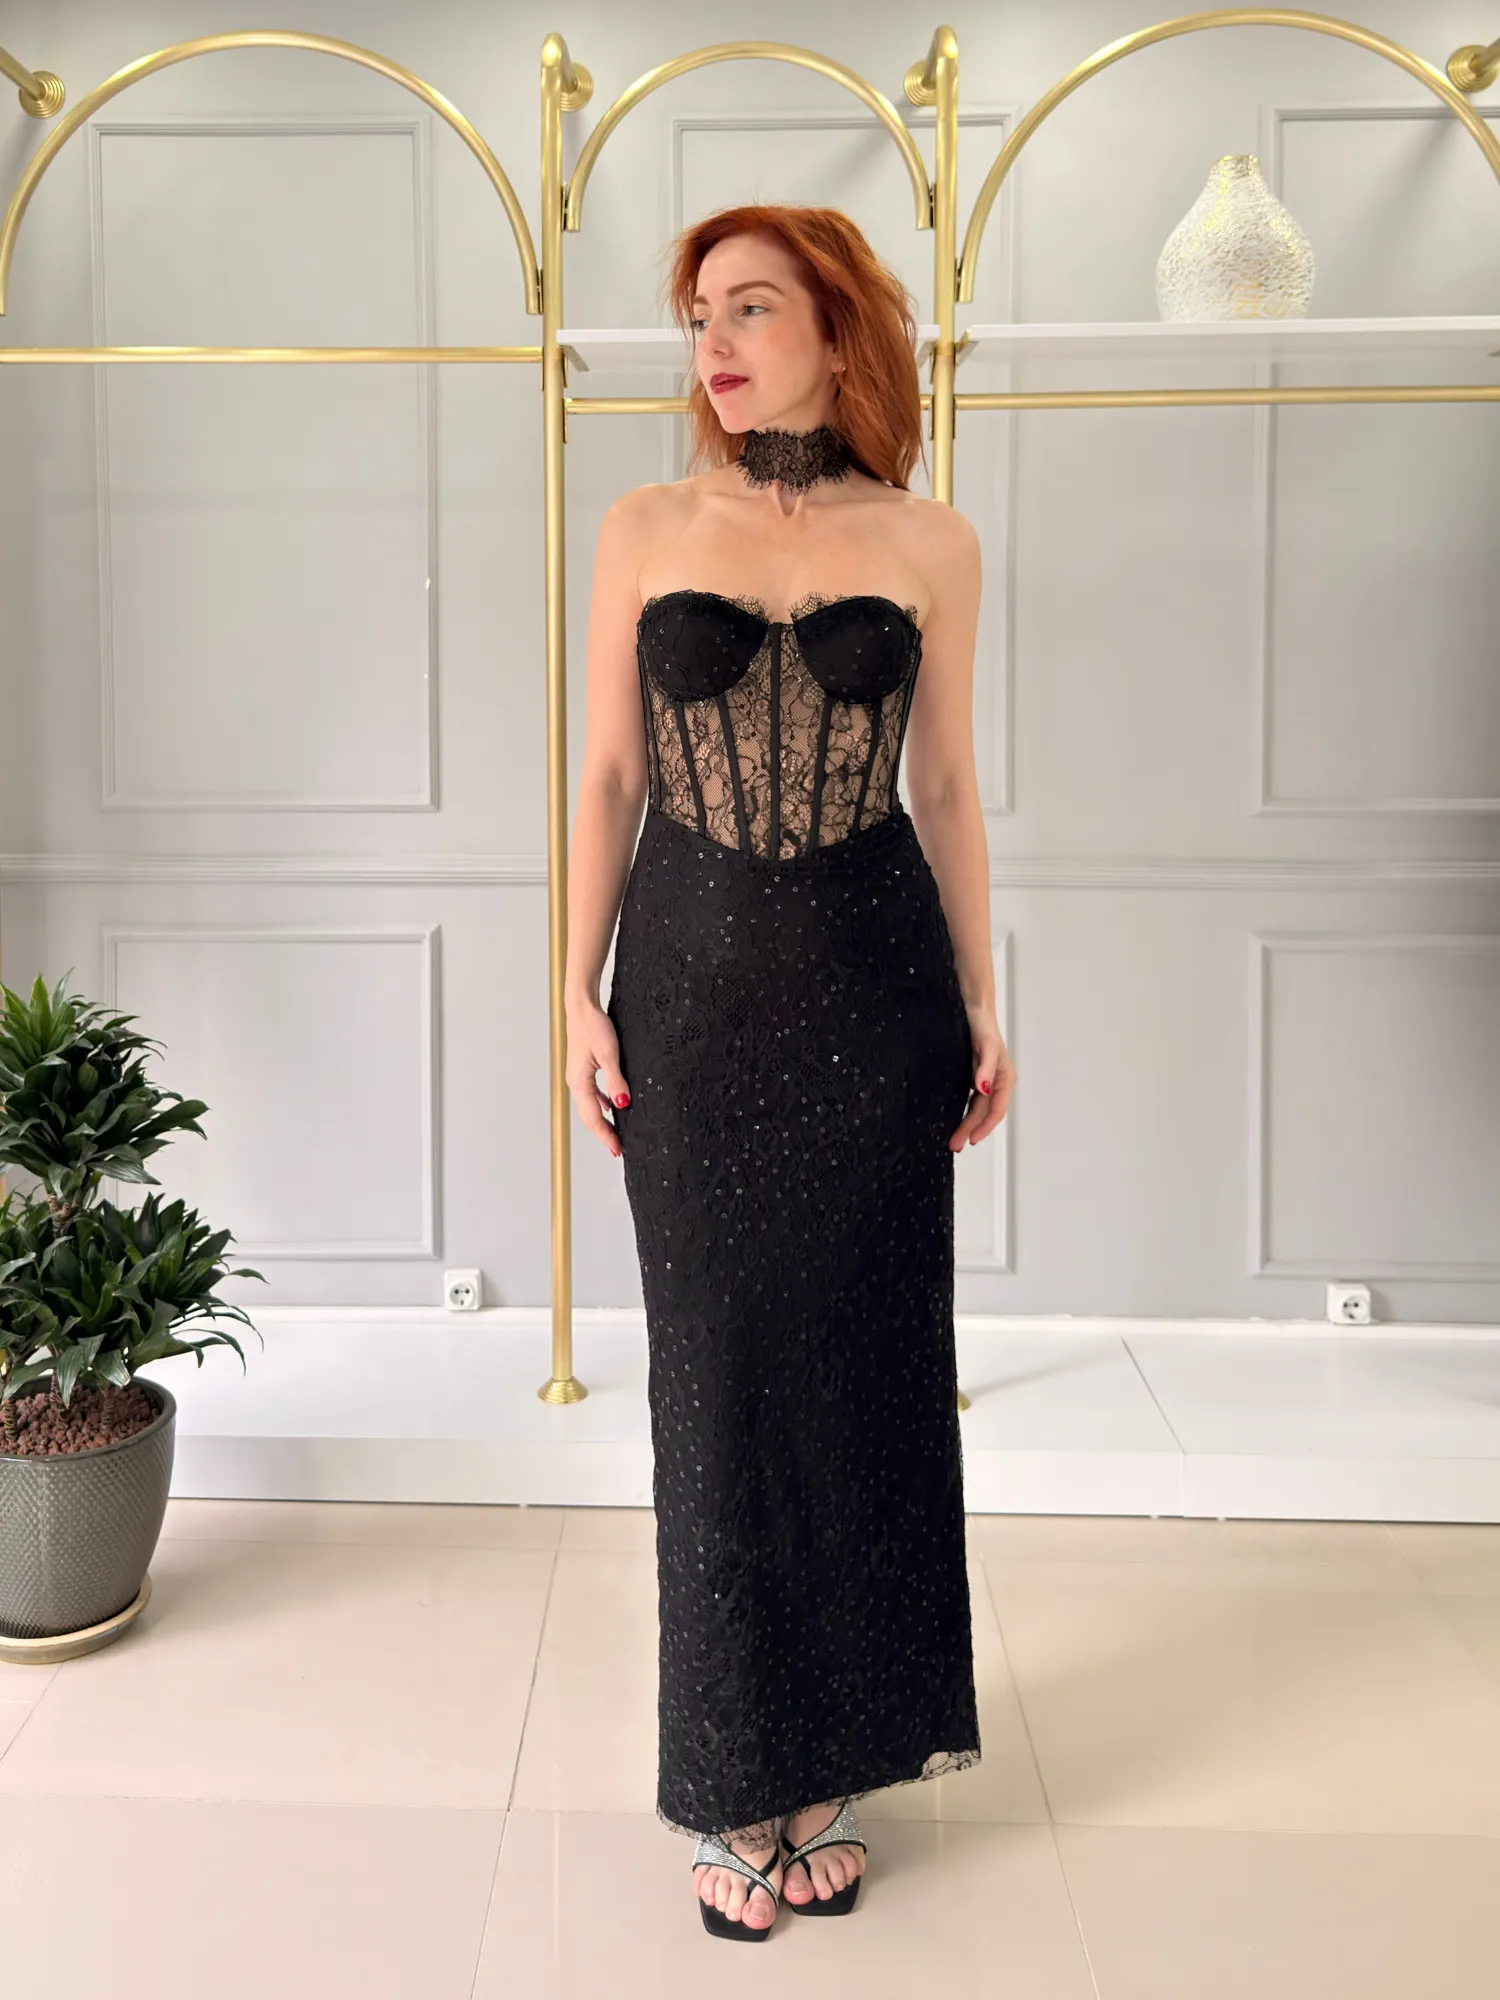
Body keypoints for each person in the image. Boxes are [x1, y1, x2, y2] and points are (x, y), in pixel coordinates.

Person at [564, 202, 1015, 1941]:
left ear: (837, 324)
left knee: (861, 1371)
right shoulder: (642, 525)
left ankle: (829, 1763)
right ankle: (732, 1773)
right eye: (699, 315)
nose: (716, 344)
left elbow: (946, 788)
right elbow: (610, 778)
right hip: (685, 991)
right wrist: (573, 990)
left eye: (751, 307)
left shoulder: (933, 540)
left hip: (874, 987)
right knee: (717, 1382)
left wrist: (983, 1000)